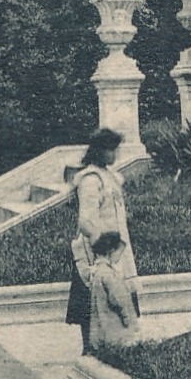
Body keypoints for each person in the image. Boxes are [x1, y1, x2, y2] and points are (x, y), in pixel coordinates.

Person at [67, 128, 139, 353]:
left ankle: (115, 343)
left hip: (115, 247)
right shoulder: (90, 179)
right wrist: (101, 247)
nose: (113, 154)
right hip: (97, 249)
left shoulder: (110, 176)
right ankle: (90, 347)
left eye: (115, 149)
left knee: (117, 294)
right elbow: (86, 220)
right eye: (109, 149)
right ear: (98, 150)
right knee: (93, 296)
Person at [87, 230, 142, 350]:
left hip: (102, 329)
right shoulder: (109, 275)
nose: (119, 257)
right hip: (116, 330)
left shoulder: (96, 273)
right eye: (119, 253)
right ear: (111, 252)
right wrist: (129, 321)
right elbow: (118, 299)